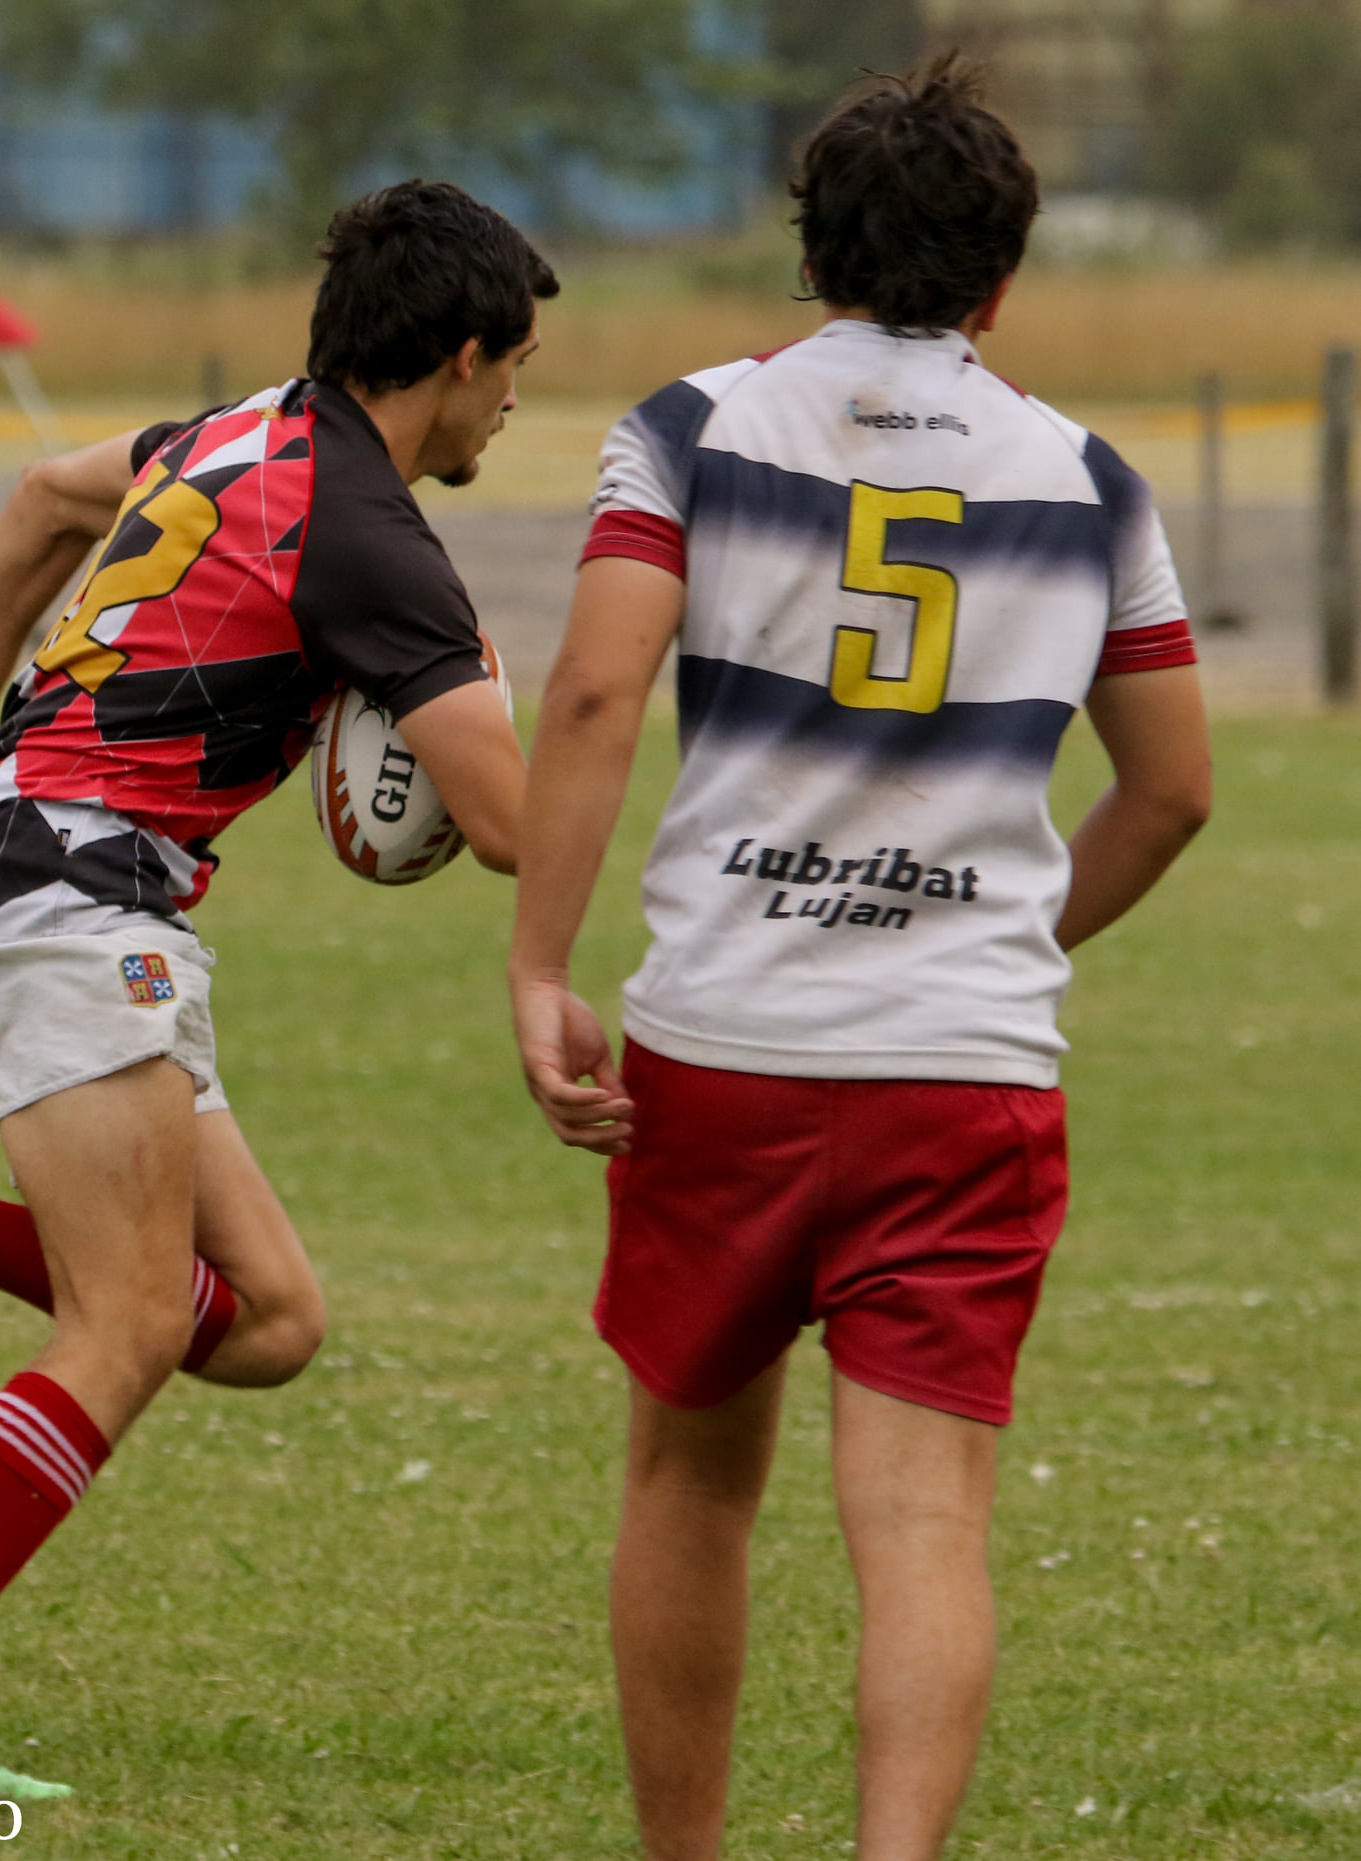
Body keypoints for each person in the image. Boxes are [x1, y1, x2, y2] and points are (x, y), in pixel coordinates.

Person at [0, 178, 549, 1802]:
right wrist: (529, 704)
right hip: (65, 899)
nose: (518, 397)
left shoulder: (243, 430)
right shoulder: (378, 541)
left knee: (261, 1320)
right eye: (515, 363)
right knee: (121, 1324)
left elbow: (45, 494)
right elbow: (521, 827)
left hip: (64, 879)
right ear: (458, 357)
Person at [507, 56, 1211, 1861]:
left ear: (813, 251)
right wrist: (991, 938)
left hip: (720, 1048)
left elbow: (591, 690)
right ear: (1000, 277)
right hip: (958, 1070)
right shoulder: (1089, 476)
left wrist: (536, 962)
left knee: (689, 1477)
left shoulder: (688, 429)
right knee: (923, 1524)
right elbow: (1173, 790)